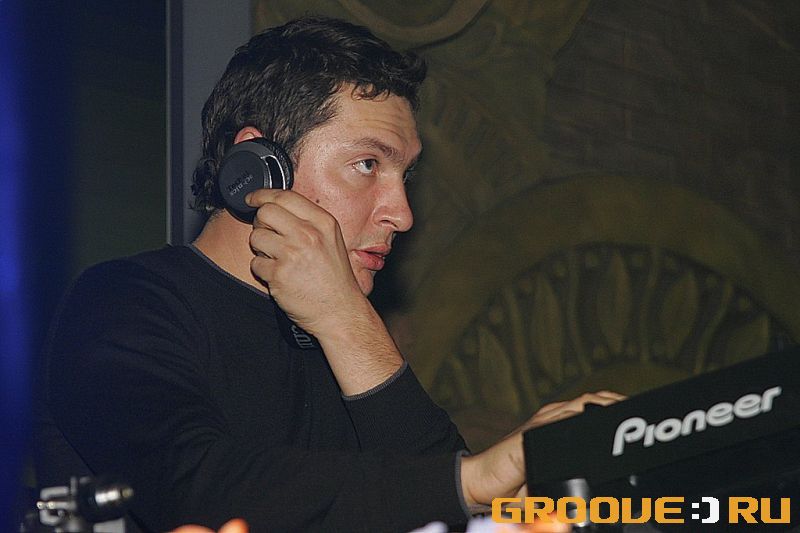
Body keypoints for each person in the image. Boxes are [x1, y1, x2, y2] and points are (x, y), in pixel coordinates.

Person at [36, 16, 621, 532]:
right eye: (367, 164)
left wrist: (347, 322)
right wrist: (470, 479)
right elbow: (197, 489)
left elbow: (438, 508)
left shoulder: (340, 336)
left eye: (405, 177)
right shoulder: (122, 303)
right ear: (257, 170)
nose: (402, 213)